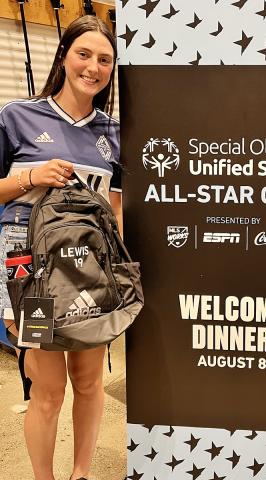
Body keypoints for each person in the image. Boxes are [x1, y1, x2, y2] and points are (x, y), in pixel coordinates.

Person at [0, 16, 121, 480]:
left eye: (104, 59)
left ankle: (81, 475)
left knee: (89, 382)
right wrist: (30, 176)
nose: (93, 67)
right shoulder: (17, 116)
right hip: (30, 274)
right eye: (84, 54)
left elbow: (116, 211)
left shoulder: (112, 134)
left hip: (89, 273)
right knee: (47, 389)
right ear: (64, 56)